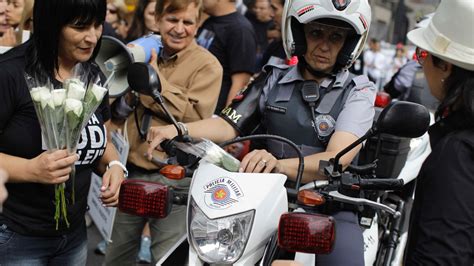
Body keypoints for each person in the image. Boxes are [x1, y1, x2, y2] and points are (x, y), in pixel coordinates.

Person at [148, 0, 375, 264]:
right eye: (316, 33)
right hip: (261, 198)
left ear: (349, 44)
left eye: (336, 37)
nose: (325, 45)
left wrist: (277, 164)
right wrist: (178, 129)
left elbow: (337, 158)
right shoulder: (273, 77)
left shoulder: (358, 92)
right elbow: (227, 124)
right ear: (298, 34)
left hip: (330, 206)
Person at [0, 0, 125, 265]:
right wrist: (30, 170)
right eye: (79, 27)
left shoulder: (93, 74)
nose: (92, 37)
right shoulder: (9, 73)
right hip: (16, 235)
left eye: (97, 24)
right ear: (51, 25)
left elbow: (101, 136)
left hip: (74, 235)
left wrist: (113, 165)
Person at [104, 0, 222, 264]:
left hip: (175, 180)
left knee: (165, 258)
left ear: (198, 24)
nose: (180, 29)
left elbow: (193, 119)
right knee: (116, 255)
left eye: (188, 22)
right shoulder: (143, 50)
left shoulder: (208, 66)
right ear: (156, 20)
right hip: (132, 172)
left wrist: (156, 80)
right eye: (172, 20)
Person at [404, 0, 474, 264]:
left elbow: (441, 258)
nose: (421, 65)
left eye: (423, 54)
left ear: (445, 65)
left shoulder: (458, 152)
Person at [196, 0, 257, 113]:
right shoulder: (210, 21)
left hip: (213, 113)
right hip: (195, 105)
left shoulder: (240, 30)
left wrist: (223, 120)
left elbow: (240, 83)